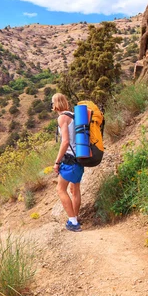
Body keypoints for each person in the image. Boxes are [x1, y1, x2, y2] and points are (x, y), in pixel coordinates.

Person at [51, 93, 83, 232]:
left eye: (52, 103)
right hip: (81, 157)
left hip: (69, 159)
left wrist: (57, 162)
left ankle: (73, 222)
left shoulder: (62, 118)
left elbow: (65, 142)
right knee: (75, 190)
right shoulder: (74, 115)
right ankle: (75, 217)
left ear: (56, 104)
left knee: (60, 189)